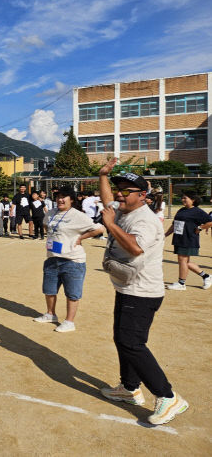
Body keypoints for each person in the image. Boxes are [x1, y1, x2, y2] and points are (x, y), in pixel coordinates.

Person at [98, 158, 188, 425]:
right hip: (127, 287)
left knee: (132, 343)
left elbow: (135, 248)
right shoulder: (124, 210)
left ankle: (168, 396)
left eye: (126, 191)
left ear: (143, 196)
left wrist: (111, 225)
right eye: (119, 189)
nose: (119, 195)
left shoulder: (145, 221)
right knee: (121, 338)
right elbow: (107, 202)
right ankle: (129, 387)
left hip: (142, 292)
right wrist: (103, 175)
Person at [34, 187, 104, 332]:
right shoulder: (51, 213)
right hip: (52, 258)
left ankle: (69, 321)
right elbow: (47, 225)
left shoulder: (78, 215)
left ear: (71, 199)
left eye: (64, 197)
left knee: (72, 293)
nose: (60, 199)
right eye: (58, 196)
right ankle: (50, 314)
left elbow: (99, 229)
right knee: (49, 290)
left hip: (72, 260)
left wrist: (80, 238)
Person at [164, 191, 212, 291]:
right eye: (182, 198)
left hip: (188, 239)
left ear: (193, 200)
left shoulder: (197, 211)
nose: (183, 200)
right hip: (179, 239)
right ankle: (206, 276)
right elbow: (174, 224)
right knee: (185, 262)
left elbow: (210, 222)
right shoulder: (181, 210)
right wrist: (165, 235)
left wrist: (200, 227)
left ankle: (181, 283)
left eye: (185, 198)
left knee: (182, 261)